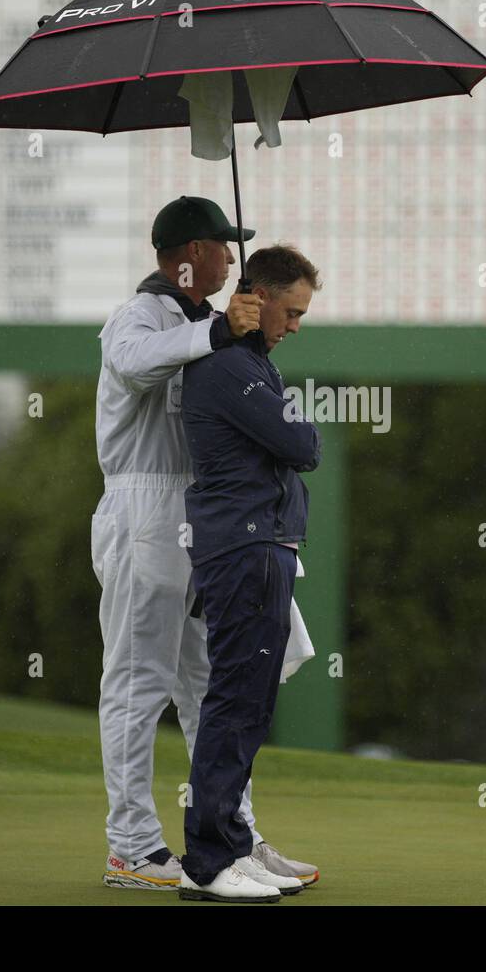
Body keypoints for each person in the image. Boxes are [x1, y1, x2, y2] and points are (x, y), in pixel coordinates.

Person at [91, 197, 318, 891]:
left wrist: (229, 334)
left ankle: (232, 837)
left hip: (204, 517)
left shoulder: (206, 324)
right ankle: (131, 844)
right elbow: (133, 364)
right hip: (142, 508)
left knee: (211, 687)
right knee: (138, 682)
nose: (233, 258)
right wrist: (220, 331)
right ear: (190, 255)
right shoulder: (138, 317)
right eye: (224, 245)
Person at [177, 245, 322, 903]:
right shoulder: (229, 368)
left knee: (247, 706)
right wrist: (294, 421)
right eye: (289, 311)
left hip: (260, 547)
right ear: (256, 296)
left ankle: (232, 846)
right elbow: (303, 446)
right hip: (243, 548)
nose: (294, 325)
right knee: (234, 704)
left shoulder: (251, 365)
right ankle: (210, 860)